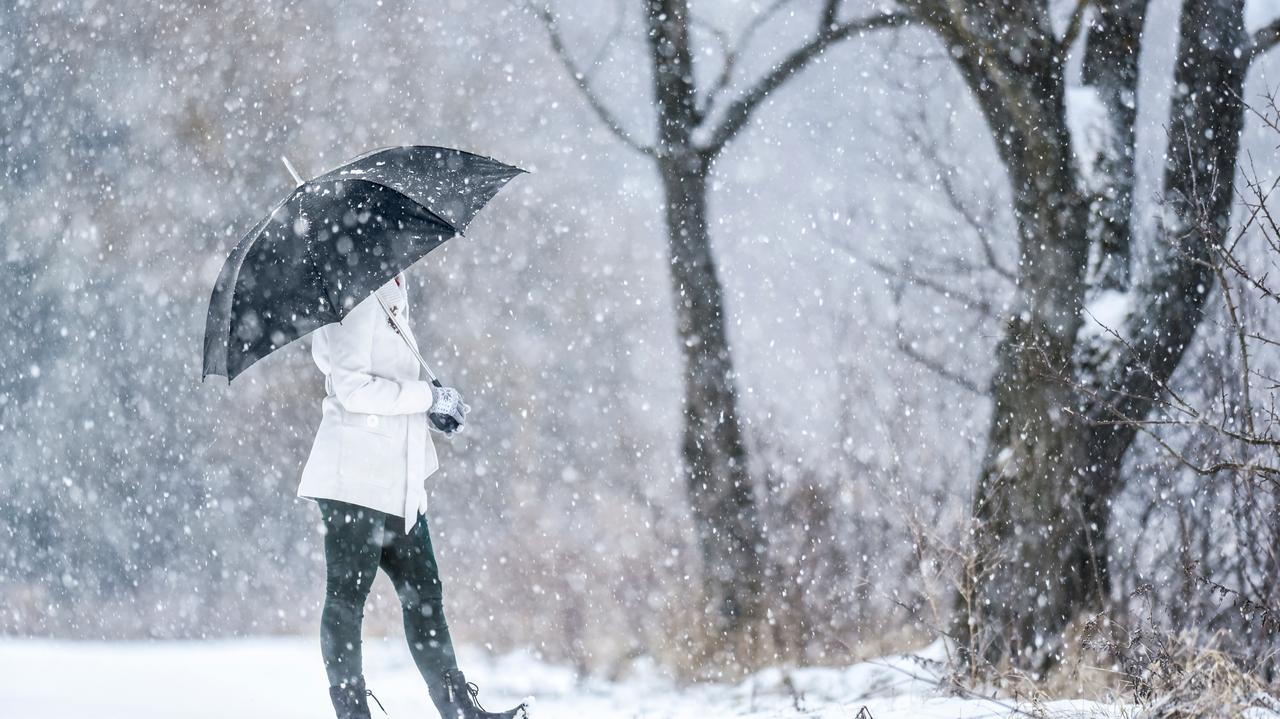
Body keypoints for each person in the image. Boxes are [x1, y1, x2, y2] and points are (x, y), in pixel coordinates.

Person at [298, 273, 527, 719]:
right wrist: (426, 397)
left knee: (424, 592)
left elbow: (389, 380)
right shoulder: (354, 293)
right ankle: (352, 713)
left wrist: (432, 411)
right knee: (347, 597)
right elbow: (353, 389)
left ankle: (459, 709)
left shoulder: (390, 282)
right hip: (354, 478)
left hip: (399, 479)